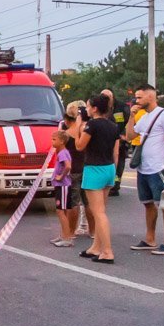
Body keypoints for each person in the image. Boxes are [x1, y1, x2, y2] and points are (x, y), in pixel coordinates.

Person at [125, 84, 164, 256]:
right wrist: (131, 117)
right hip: (143, 168)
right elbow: (130, 135)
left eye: (140, 97)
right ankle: (150, 238)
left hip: (158, 168)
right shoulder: (144, 117)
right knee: (148, 204)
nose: (137, 100)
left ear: (150, 96)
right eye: (137, 97)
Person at [73, 93, 117, 263]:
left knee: (98, 213)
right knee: (102, 211)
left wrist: (78, 128)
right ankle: (96, 247)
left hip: (94, 168)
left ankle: (107, 251)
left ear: (95, 108)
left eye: (88, 106)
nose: (87, 109)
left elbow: (79, 146)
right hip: (108, 167)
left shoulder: (92, 125)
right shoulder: (112, 126)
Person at [64, 102, 92, 238]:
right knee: (88, 202)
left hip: (73, 169)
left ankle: (71, 231)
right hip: (87, 168)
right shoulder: (88, 129)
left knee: (73, 202)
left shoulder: (67, 134)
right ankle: (92, 231)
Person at [50, 131, 75, 247]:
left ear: (62, 141)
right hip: (61, 186)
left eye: (54, 139)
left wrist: (61, 176)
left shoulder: (62, 153)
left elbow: (68, 166)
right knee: (63, 211)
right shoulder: (61, 152)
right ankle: (64, 234)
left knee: (61, 211)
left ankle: (67, 238)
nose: (52, 141)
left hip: (63, 186)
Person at [102, 88, 129, 196]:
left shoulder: (122, 107)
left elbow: (129, 122)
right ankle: (107, 183)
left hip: (120, 140)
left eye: (108, 98)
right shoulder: (101, 108)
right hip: (106, 140)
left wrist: (124, 134)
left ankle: (115, 185)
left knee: (119, 161)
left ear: (112, 97)